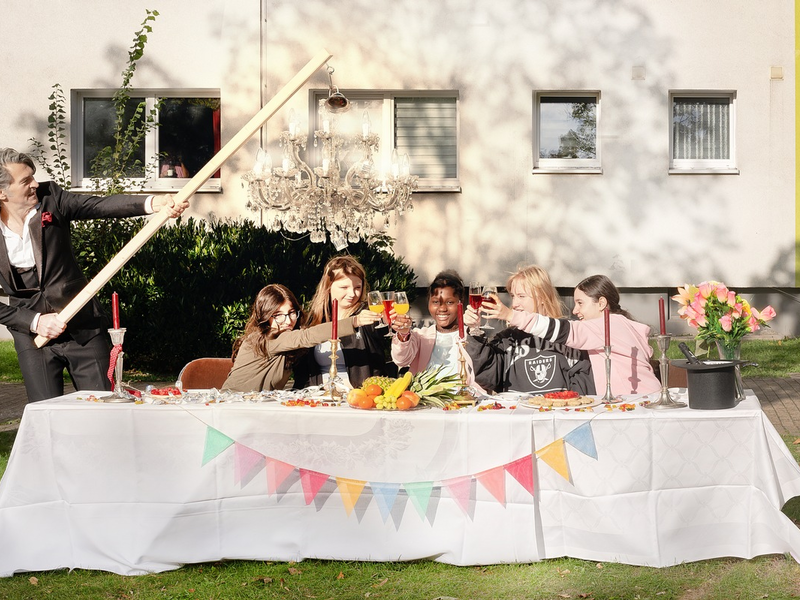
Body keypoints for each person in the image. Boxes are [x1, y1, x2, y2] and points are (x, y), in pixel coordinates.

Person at [0, 148, 189, 401]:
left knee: (104, 408)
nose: (35, 183)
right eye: (25, 181)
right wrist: (35, 322)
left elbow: (98, 205)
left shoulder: (52, 197)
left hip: (83, 327)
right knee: (45, 415)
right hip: (32, 336)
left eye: (33, 176)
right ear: (2, 193)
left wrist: (154, 203)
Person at [482, 273, 660, 396]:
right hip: (637, 399)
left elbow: (565, 331)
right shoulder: (619, 324)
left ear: (601, 303)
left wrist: (511, 315)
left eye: (580, 303)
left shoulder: (607, 325)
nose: (575, 310)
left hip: (635, 401)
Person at [222, 284, 382, 392]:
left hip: (255, 407)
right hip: (233, 406)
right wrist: (355, 321)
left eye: (291, 312)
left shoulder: (286, 339)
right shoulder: (265, 339)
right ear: (266, 317)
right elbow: (306, 336)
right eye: (278, 315)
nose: (288, 320)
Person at [463, 265, 595, 395]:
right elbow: (487, 376)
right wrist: (474, 330)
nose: (514, 304)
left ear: (542, 297)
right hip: (518, 414)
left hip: (557, 413)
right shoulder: (508, 339)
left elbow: (583, 385)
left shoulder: (568, 334)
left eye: (521, 296)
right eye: (513, 296)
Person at [291, 256, 388, 389]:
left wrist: (392, 324)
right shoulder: (314, 319)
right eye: (344, 287)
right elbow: (302, 371)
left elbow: (380, 327)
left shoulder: (365, 313)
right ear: (328, 286)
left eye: (357, 287)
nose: (352, 293)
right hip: (319, 398)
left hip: (360, 397)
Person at [390, 270, 483, 391]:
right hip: (428, 405)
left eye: (450, 302)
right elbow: (401, 360)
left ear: (460, 303)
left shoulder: (470, 335)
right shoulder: (421, 336)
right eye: (435, 302)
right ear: (428, 303)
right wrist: (403, 334)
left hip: (464, 403)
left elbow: (483, 372)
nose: (442, 308)